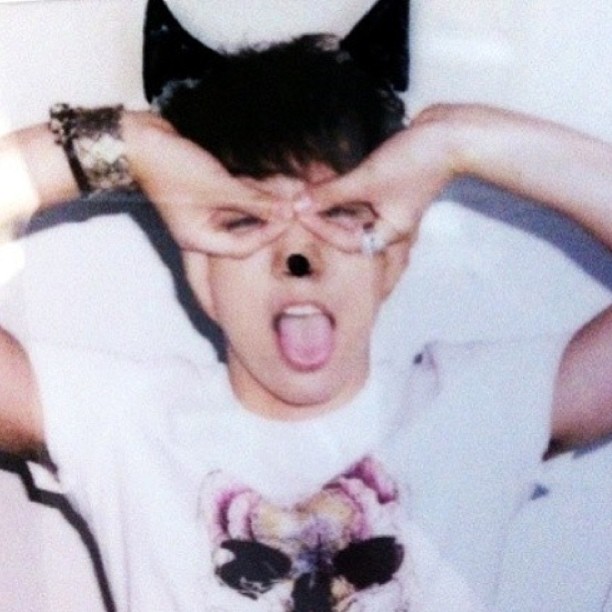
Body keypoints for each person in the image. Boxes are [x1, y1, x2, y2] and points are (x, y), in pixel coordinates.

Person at [0, 35, 610, 611]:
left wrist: (457, 140)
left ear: (394, 257)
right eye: (246, 220)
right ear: (200, 268)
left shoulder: (475, 410)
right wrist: (126, 146)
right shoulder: (124, 423)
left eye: (340, 215)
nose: (298, 257)